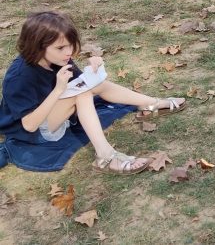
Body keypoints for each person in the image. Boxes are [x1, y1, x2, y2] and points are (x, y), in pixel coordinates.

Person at [0, 11, 186, 175]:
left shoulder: (58, 59)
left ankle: (150, 103)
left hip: (56, 114)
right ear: (38, 46)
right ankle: (106, 156)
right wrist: (58, 89)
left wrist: (92, 71)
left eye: (70, 45)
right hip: (34, 133)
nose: (69, 52)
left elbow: (82, 84)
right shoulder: (19, 76)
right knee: (82, 94)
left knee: (90, 88)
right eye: (60, 48)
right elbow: (29, 125)